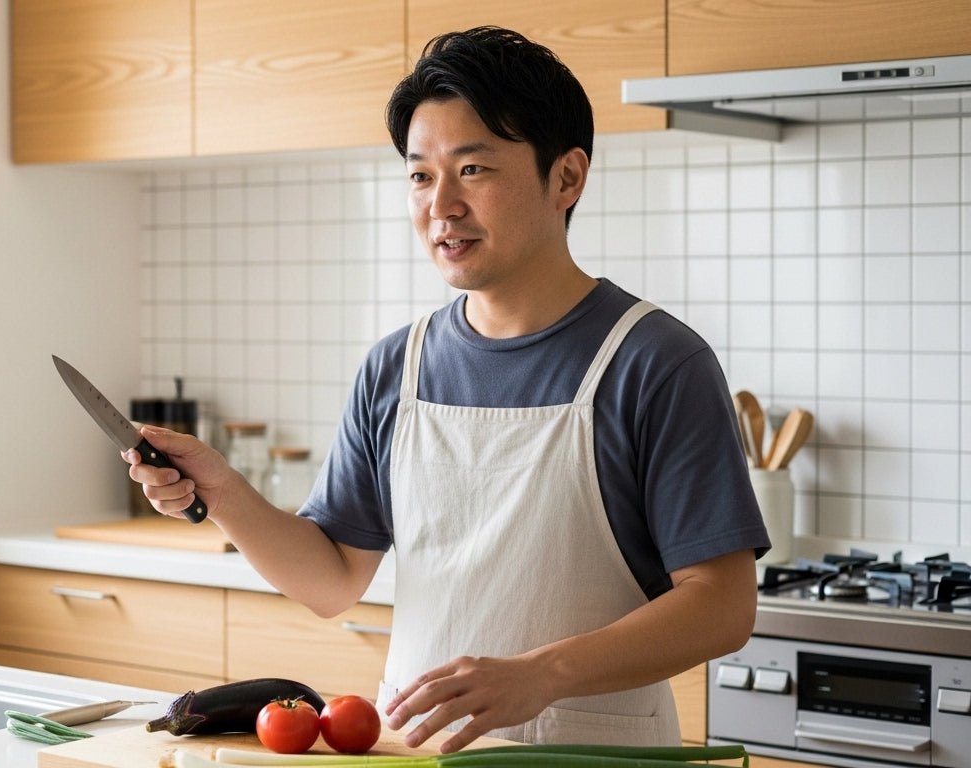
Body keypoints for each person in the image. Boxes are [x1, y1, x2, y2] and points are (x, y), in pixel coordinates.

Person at [125, 26, 768, 751]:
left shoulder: (656, 362)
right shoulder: (396, 367)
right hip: (418, 752)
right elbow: (333, 580)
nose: (442, 206)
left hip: (591, 754)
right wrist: (224, 492)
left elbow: (721, 607)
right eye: (421, 176)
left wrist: (543, 674)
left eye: (473, 169)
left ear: (567, 177)